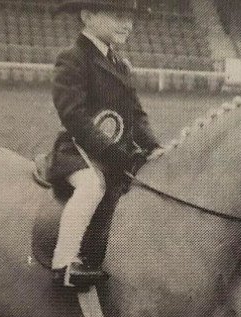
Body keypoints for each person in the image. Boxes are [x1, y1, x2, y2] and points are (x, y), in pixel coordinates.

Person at [47, 0, 164, 287]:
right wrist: (111, 153)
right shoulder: (73, 57)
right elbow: (73, 115)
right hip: (79, 151)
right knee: (91, 187)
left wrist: (155, 148)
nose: (127, 24)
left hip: (117, 153)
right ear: (87, 16)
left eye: (130, 18)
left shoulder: (121, 64)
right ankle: (64, 263)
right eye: (117, 16)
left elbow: (135, 115)